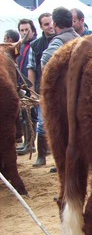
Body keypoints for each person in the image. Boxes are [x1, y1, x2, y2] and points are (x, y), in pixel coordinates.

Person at [34, 7, 79, 169]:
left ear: (55, 23)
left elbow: (47, 60)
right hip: (78, 93)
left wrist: (53, 82)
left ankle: (65, 165)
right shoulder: (78, 37)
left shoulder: (58, 41)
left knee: (60, 131)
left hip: (64, 94)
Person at [26, 12, 55, 165]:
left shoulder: (62, 40)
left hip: (59, 91)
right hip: (42, 90)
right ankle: (41, 156)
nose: (50, 26)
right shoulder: (35, 45)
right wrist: (31, 91)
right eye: (46, 24)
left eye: (51, 23)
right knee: (42, 124)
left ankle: (58, 161)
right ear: (41, 27)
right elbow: (31, 68)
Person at [15, 19, 38, 156]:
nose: (24, 33)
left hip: (32, 86)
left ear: (33, 30)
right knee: (25, 114)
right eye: (22, 30)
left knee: (33, 115)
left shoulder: (34, 45)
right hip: (22, 85)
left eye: (26, 30)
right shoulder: (21, 47)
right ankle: (26, 143)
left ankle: (31, 144)